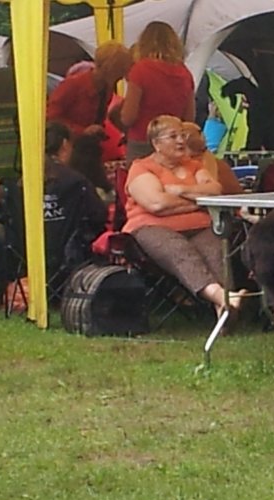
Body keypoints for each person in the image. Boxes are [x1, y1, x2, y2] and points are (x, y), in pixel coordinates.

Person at [122, 115, 241, 317]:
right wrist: (198, 201)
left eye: (182, 135)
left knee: (216, 251)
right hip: (152, 228)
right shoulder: (142, 168)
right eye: (173, 136)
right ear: (156, 144)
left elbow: (215, 190)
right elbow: (157, 204)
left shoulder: (193, 165)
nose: (181, 141)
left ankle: (223, 310)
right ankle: (222, 297)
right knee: (181, 251)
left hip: (199, 225)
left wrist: (180, 190)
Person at [113, 22, 195, 162]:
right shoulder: (185, 73)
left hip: (142, 142)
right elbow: (189, 119)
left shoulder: (140, 70)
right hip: (172, 143)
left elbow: (128, 117)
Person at [40, 122, 108, 284]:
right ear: (65, 145)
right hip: (69, 261)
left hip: (27, 261)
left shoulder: (21, 181)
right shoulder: (76, 181)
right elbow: (99, 215)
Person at [46, 41, 133, 139]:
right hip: (68, 143)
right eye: (121, 70)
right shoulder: (73, 85)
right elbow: (50, 117)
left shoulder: (106, 89)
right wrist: (81, 131)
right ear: (109, 68)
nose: (122, 77)